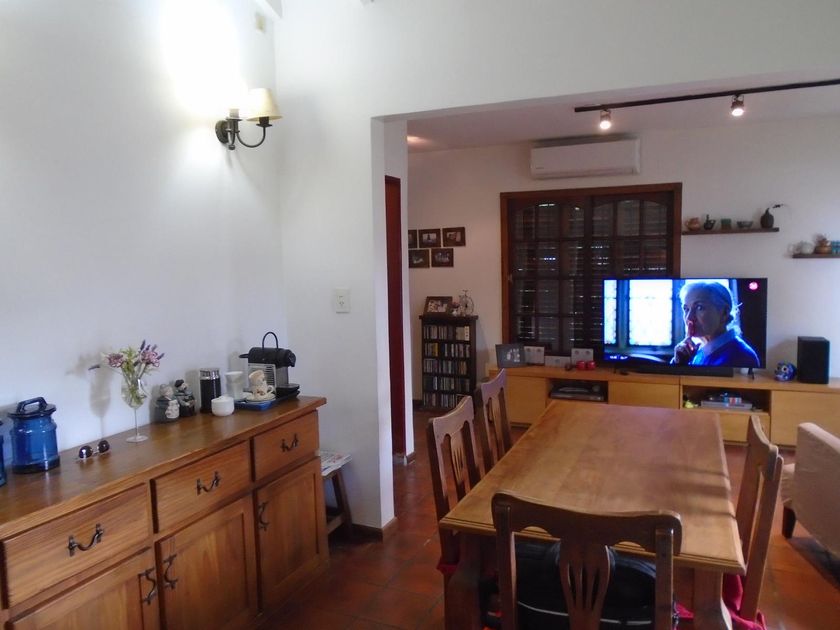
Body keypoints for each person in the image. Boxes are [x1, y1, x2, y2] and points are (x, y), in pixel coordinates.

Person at [671, 281, 759, 367]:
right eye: (686, 309)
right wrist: (678, 363)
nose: (689, 318)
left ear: (724, 313)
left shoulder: (741, 357)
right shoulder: (699, 351)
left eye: (699, 307)